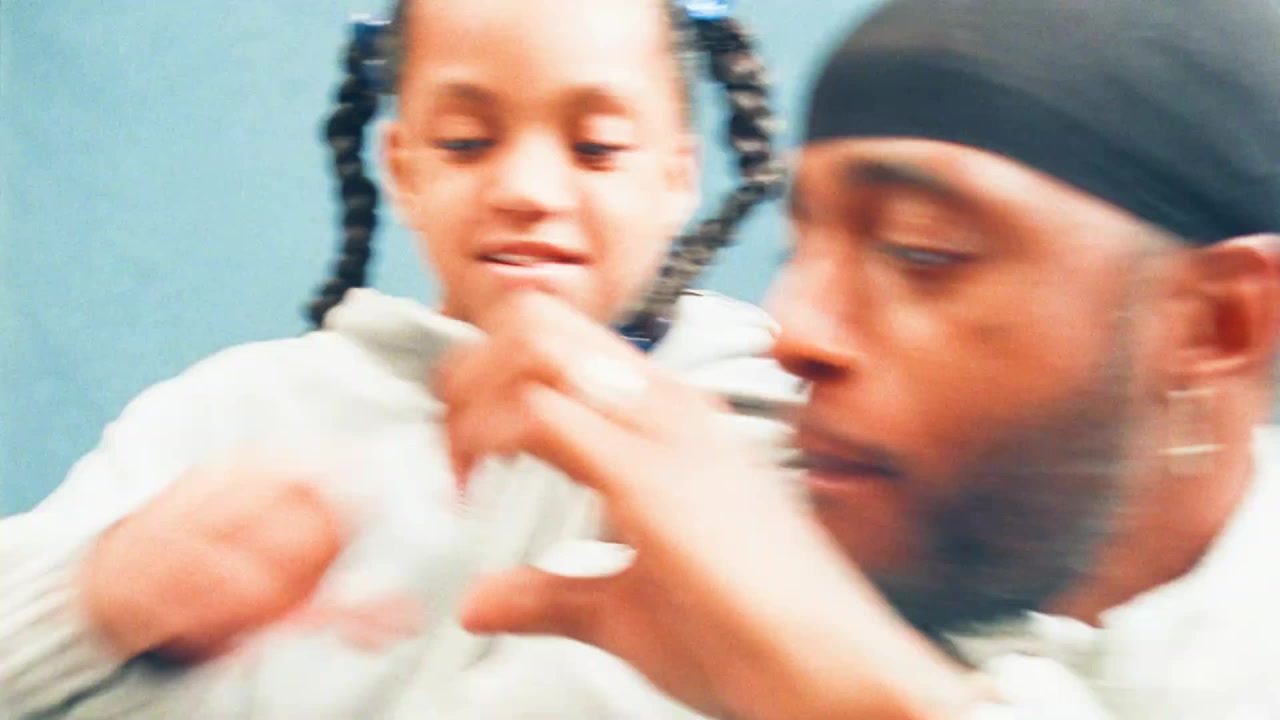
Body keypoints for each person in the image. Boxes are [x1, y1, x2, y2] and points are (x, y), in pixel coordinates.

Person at [438, 0, 1280, 717]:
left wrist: (848, 690)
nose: (793, 330)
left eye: (922, 250)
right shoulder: (658, 622)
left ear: (1217, 326)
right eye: (798, 246)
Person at [0, 1, 795, 718]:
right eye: (466, 143)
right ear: (403, 167)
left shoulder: (761, 428)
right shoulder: (230, 413)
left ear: (678, 177)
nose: (527, 189)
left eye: (596, 148)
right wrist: (101, 600)